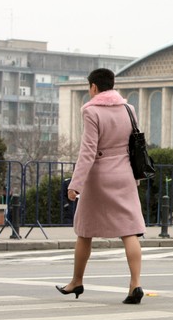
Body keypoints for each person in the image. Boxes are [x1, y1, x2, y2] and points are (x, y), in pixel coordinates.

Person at [55, 68, 146, 304]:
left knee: (84, 231)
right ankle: (135, 284)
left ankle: (77, 280)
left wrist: (75, 184)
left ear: (93, 87)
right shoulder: (129, 109)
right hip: (125, 173)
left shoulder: (91, 111)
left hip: (99, 175)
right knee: (130, 230)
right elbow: (134, 143)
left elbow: (88, 151)